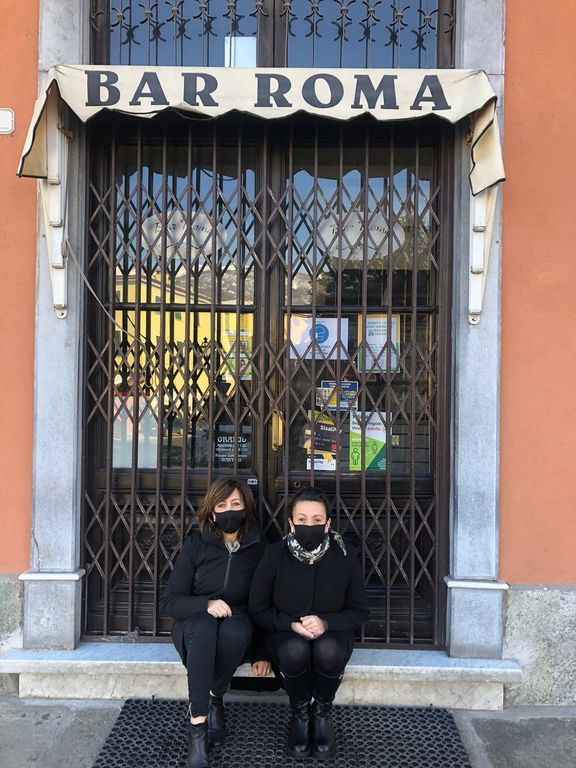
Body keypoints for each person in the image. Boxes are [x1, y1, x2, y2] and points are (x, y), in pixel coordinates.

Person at [248, 486, 369, 760]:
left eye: (317, 520)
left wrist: (325, 623)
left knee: (329, 650)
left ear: (328, 524)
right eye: (302, 520)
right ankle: (301, 713)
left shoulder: (345, 556)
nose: (309, 526)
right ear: (291, 523)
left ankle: (322, 712)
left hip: (333, 633)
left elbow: (359, 611)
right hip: (285, 633)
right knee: (295, 650)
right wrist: (291, 625)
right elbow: (258, 609)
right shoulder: (274, 555)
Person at [161, 478, 270, 768]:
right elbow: (170, 601)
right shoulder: (196, 545)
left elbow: (266, 605)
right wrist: (205, 604)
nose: (229, 511)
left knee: (232, 631)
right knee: (204, 627)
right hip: (194, 625)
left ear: (246, 509)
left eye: (235, 504)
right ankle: (198, 724)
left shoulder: (261, 549)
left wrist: (262, 651)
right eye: (222, 505)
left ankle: (214, 695)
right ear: (212, 512)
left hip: (240, 623)